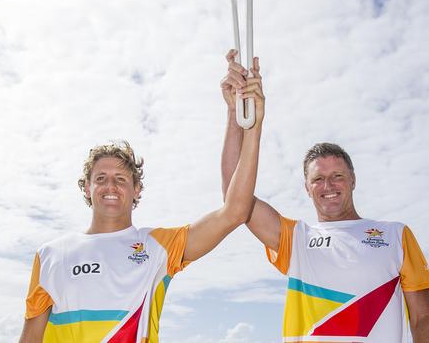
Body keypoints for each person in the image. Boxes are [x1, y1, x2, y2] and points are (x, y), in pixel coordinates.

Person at [18, 59, 265, 342]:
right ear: (87, 188)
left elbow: (235, 211)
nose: (110, 185)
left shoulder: (158, 246)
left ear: (137, 190)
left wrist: (245, 120)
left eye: (121, 179)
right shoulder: (50, 255)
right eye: (101, 178)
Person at [219, 49, 429, 343]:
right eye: (318, 179)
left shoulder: (396, 235)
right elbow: (235, 199)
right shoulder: (296, 239)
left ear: (353, 180)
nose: (328, 186)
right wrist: (237, 114)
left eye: (337, 176)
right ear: (307, 188)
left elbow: (422, 318)